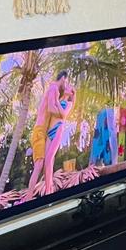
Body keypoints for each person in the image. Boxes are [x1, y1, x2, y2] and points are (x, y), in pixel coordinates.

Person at [25, 71, 75, 199]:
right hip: (43, 132)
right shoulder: (54, 89)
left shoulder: (65, 101)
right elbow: (51, 108)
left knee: (47, 161)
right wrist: (57, 102)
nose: (67, 86)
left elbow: (63, 115)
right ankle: (34, 196)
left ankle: (47, 192)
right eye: (67, 82)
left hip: (54, 129)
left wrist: (58, 103)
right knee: (43, 163)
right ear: (63, 78)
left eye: (70, 87)